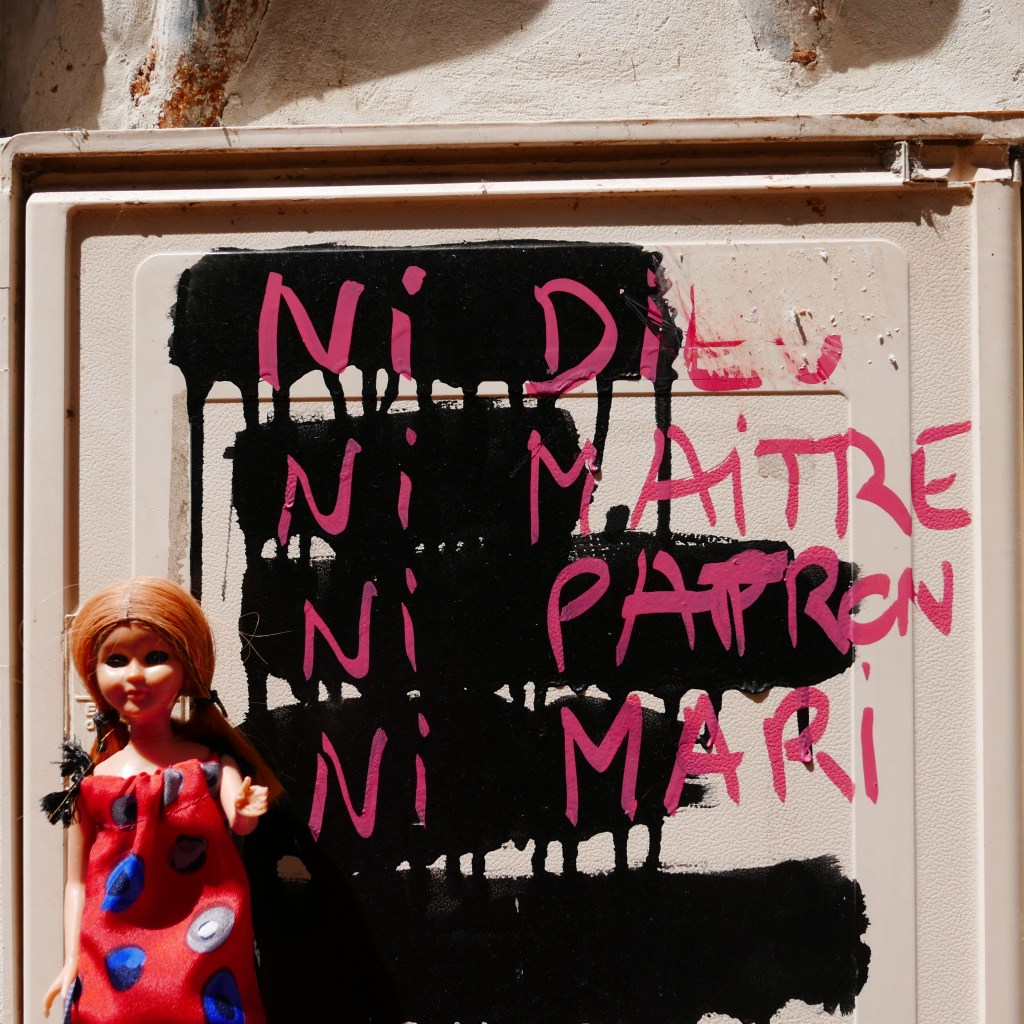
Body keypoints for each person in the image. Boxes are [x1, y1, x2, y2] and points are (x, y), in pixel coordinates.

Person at [42, 577, 282, 1023]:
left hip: (203, 934)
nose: (134, 675)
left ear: (187, 669)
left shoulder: (210, 765)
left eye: (155, 658)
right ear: (95, 671)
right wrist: (72, 957)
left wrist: (245, 806)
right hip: (111, 945)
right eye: (116, 660)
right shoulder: (92, 784)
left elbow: (241, 824)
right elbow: (77, 883)